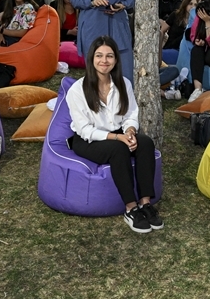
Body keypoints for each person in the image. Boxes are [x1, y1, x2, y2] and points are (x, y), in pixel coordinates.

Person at [62, 35, 163, 233]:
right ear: (91, 59)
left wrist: (131, 132)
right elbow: (84, 129)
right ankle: (130, 208)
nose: (104, 61)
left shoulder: (123, 83)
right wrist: (119, 138)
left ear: (116, 59)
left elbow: (131, 113)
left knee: (146, 143)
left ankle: (145, 203)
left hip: (118, 133)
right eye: (99, 56)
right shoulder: (77, 90)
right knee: (118, 149)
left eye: (109, 56)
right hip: (88, 139)